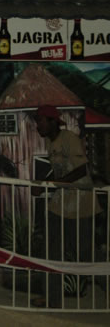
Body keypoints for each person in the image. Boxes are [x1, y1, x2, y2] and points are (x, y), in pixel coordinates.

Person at [31, 105, 101, 308]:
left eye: (41, 121)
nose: (38, 125)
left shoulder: (69, 138)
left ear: (53, 121)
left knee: (87, 254)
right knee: (51, 250)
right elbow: (59, 172)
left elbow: (80, 170)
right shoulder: (50, 142)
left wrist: (51, 185)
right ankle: (52, 298)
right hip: (62, 203)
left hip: (81, 203)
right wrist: (44, 185)